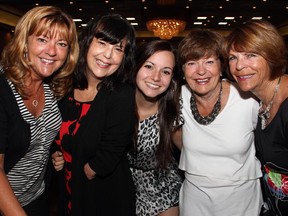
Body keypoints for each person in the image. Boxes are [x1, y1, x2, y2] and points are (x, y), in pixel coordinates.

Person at [51, 14, 136, 215]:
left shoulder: (122, 93)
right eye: (102, 43)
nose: (108, 55)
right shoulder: (65, 85)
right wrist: (56, 152)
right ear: (87, 43)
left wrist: (89, 168)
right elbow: (54, 132)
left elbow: (111, 150)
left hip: (102, 195)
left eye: (118, 49)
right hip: (68, 190)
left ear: (125, 57)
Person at [174, 28, 263, 216]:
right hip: (194, 200)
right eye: (191, 63)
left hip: (242, 200)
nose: (200, 71)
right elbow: (173, 132)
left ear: (221, 66)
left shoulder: (248, 99)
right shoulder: (177, 97)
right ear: (182, 70)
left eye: (209, 62)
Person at [0, 6, 79, 216]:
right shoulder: (3, 90)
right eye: (43, 39)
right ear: (24, 42)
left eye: (61, 44)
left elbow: (39, 132)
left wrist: (53, 150)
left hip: (37, 197)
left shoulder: (53, 86)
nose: (52, 51)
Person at [224, 20, 288, 216]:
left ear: (272, 55)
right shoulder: (261, 102)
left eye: (250, 55)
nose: (239, 66)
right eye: (233, 58)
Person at [127, 40, 183, 216]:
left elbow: (194, 150)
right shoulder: (116, 103)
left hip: (164, 192)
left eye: (165, 71)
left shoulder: (173, 111)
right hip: (122, 191)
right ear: (136, 66)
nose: (156, 77)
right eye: (149, 66)